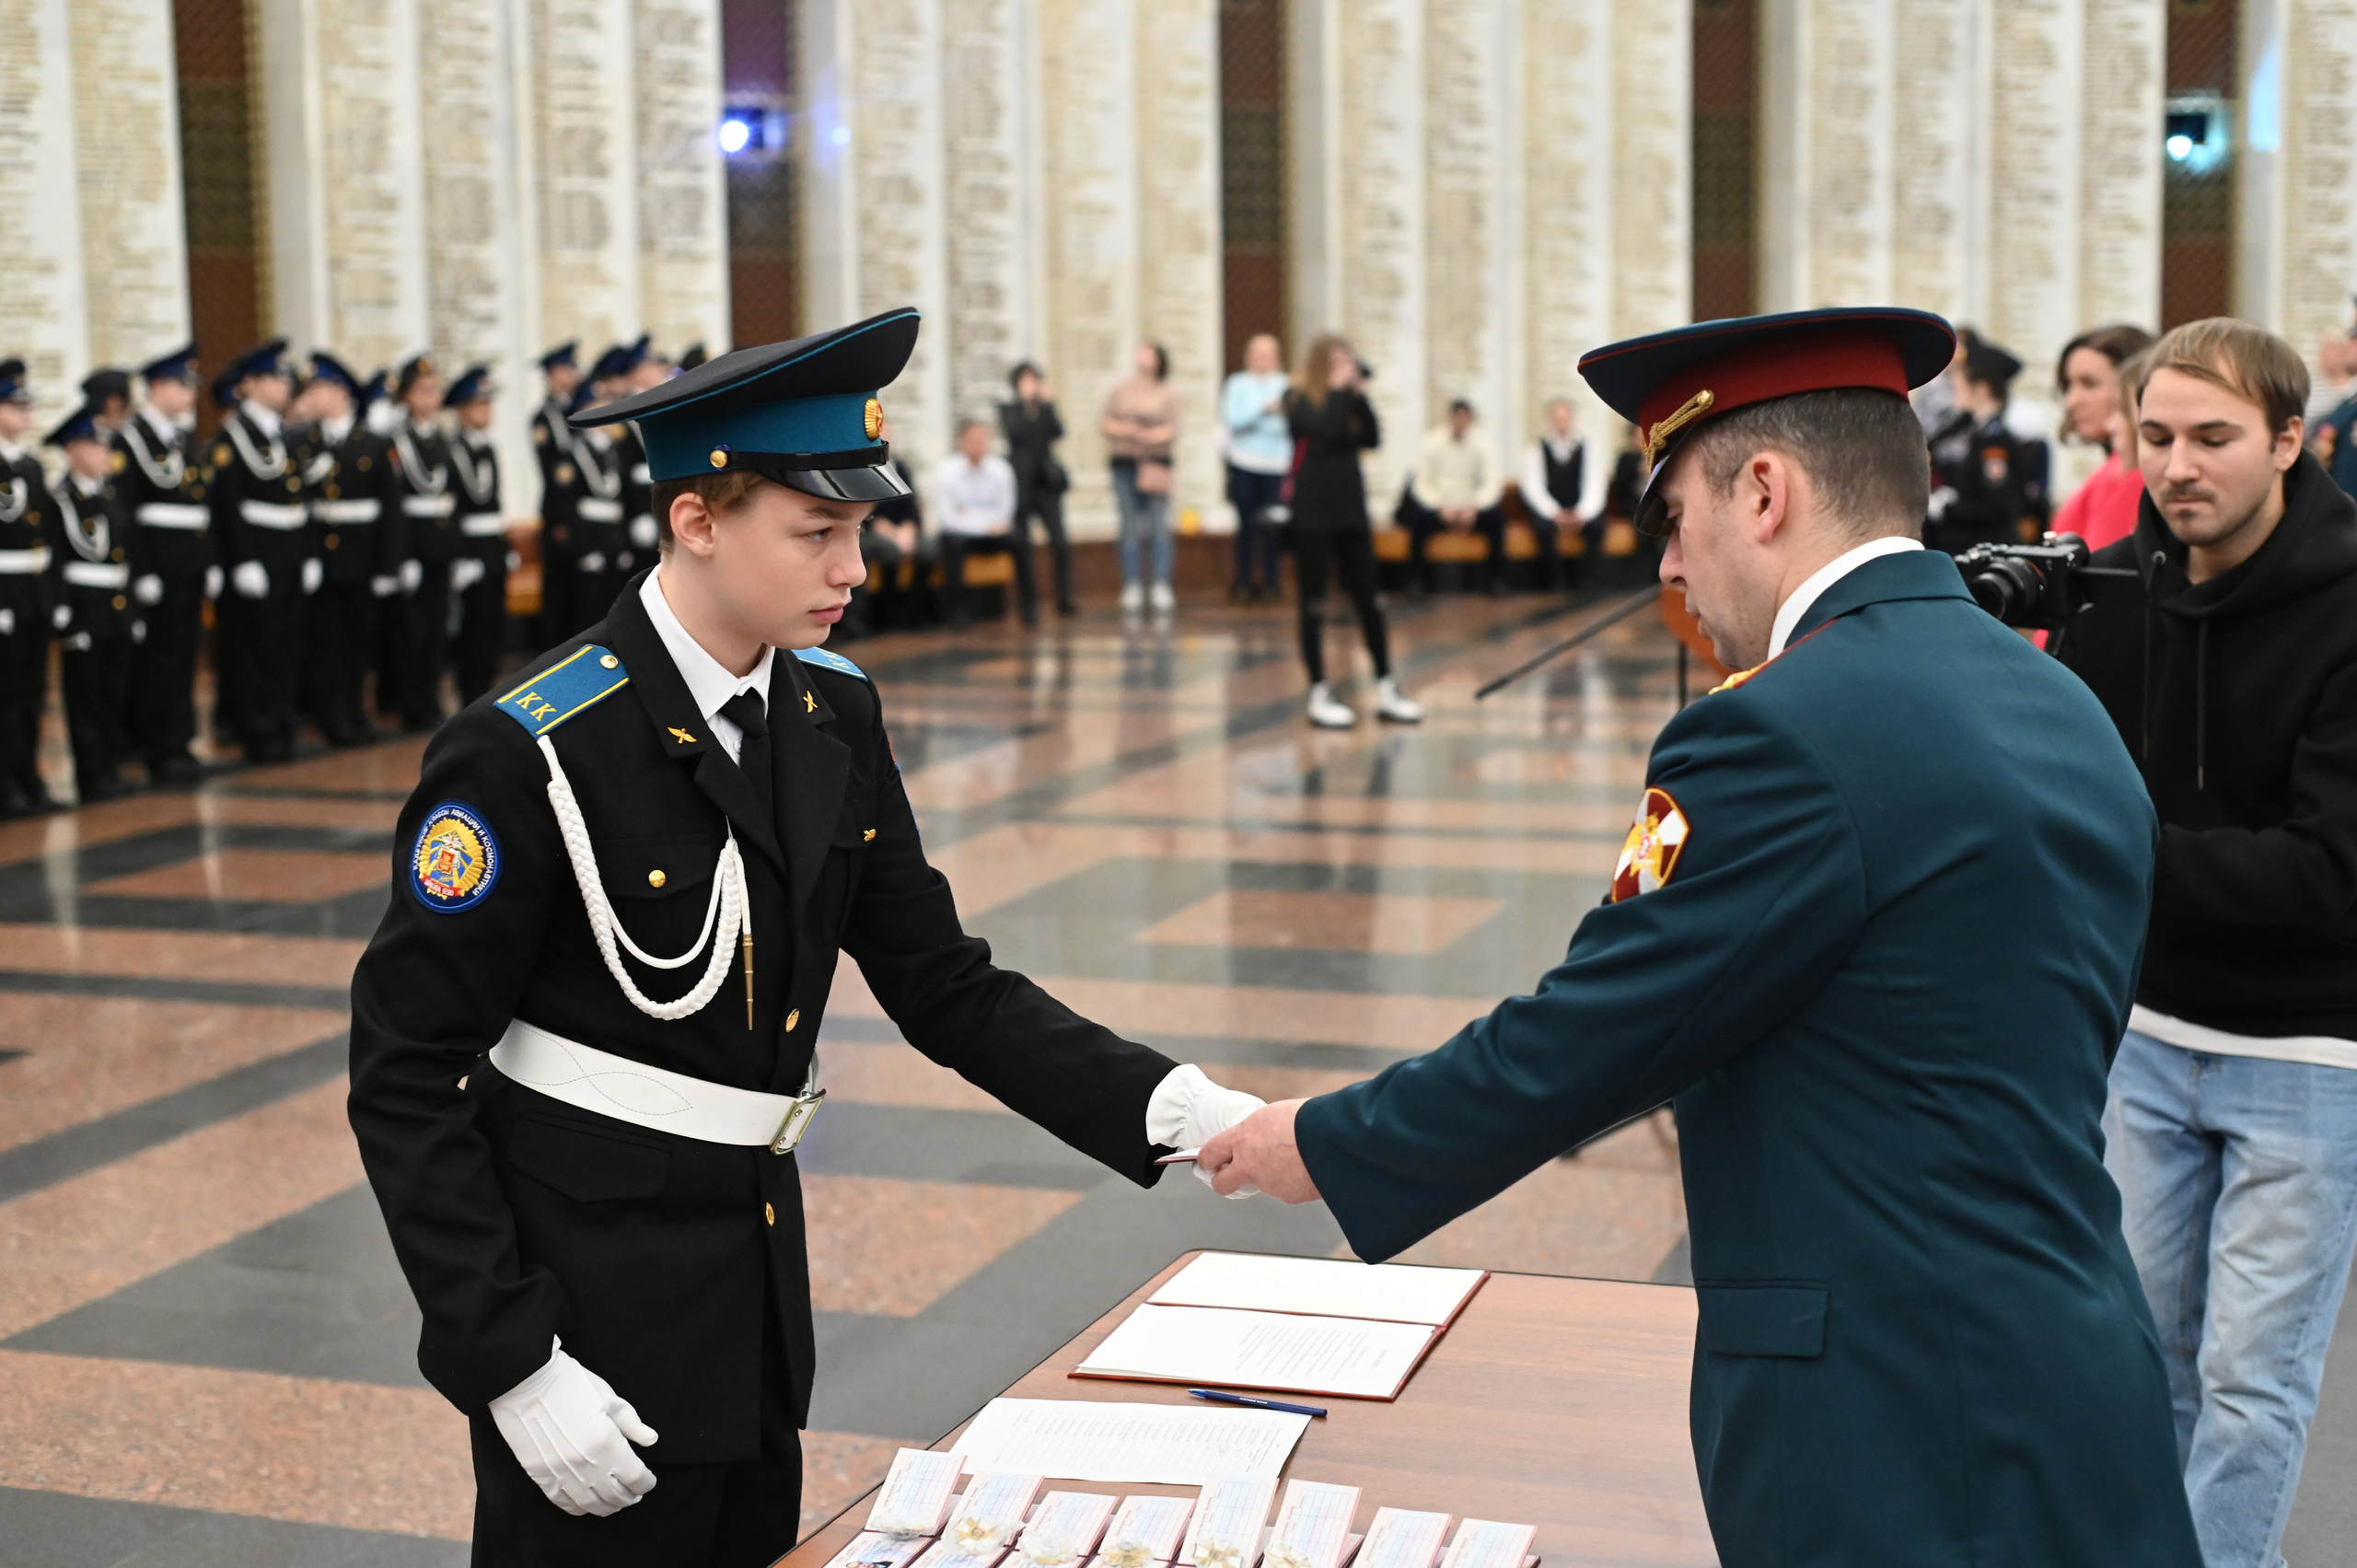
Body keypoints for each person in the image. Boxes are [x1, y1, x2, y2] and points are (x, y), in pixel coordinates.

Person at [1202, 307, 2204, 1568]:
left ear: (1766, 492)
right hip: (2077, 1364)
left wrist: (1325, 1141)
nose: (1669, 567)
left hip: (1895, 1418)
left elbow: (1602, 1027)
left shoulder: (1777, 731)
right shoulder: (2059, 694)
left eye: (1675, 516)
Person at [346, 308, 1265, 1568]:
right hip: (584, 1310)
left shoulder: (831, 708)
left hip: (759, 1290)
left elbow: (943, 984)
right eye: (818, 532)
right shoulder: (535, 744)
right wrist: (504, 1355)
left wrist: (1177, 1104)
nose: (855, 568)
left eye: (861, 530)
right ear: (697, 520)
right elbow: (406, 1069)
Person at [2054, 319, 2357, 1568]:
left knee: (2249, 1384)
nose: (2180, 465)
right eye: (2159, 436)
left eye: (2215, 437)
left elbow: (2330, 872)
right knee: (2140, 1360)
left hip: (2308, 1048)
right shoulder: (2121, 592)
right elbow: (2065, 787)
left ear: (2291, 439)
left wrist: (2121, 855)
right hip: (2153, 1032)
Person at [1284, 335, 1419, 730]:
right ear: (1320, 363)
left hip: (1350, 512)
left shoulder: (1348, 401)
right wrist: (1342, 392)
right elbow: (1320, 429)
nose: (1346, 367)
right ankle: (1318, 690)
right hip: (1311, 513)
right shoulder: (1298, 399)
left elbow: (1372, 438)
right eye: (1338, 361)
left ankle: (1386, 685)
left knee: (1370, 600)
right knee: (1313, 602)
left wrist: (1360, 397)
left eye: (1349, 361)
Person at [206, 340, 310, 762]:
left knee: (286, 646)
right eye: (274, 378)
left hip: (287, 553)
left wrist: (307, 553)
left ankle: (282, 724)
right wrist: (243, 559)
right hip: (257, 555)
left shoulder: (280, 434)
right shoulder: (234, 437)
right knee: (256, 650)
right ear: (249, 385)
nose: (284, 386)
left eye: (284, 378)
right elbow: (228, 507)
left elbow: (297, 499)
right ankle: (260, 731)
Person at [118, 343, 212, 782]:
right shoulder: (131, 439)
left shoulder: (182, 437)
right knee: (159, 660)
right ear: (157, 387)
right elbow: (126, 512)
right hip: (158, 567)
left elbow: (198, 507)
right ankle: (158, 747)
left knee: (183, 656)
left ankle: (179, 742)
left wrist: (206, 561)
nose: (190, 394)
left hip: (188, 565)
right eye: (181, 384)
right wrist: (141, 571)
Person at [296, 352, 394, 747]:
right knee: (326, 645)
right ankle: (331, 718)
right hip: (323, 560)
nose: (311, 397)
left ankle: (355, 715)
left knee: (358, 644)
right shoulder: (304, 441)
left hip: (362, 558)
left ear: (339, 393)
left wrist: (389, 564)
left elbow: (390, 509)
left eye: (318, 389)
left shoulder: (371, 443)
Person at [43, 401, 140, 802]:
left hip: (114, 607)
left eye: (106, 448)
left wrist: (131, 607)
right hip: (84, 610)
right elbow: (55, 560)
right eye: (95, 448)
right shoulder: (59, 502)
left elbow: (125, 555)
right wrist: (64, 613)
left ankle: (110, 766)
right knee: (86, 695)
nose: (104, 456)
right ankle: (91, 773)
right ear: (72, 451)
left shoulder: (110, 497)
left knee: (114, 691)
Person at [388, 354, 457, 731]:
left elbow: (451, 498)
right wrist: (404, 556)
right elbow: (396, 504)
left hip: (441, 547)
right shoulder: (399, 442)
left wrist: (455, 549)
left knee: (436, 630)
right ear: (406, 396)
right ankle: (412, 705)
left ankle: (430, 700)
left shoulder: (440, 438)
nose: (431, 397)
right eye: (422, 391)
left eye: (435, 390)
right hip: (414, 546)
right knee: (411, 634)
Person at [1926, 335, 2044, 553]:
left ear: (1981, 388)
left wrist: (1949, 509)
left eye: (1959, 384)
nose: (1954, 392)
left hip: (1987, 554)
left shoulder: (1995, 444)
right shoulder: (1978, 435)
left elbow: (1997, 508)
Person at [0, 361, 56, 814]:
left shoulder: (31, 466)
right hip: (4, 595)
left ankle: (27, 775)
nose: (26, 414)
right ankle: (5, 785)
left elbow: (48, 538)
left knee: (30, 694)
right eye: (16, 406)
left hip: (33, 593)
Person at [2052, 323, 2156, 551]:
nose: (2072, 400)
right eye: (2068, 385)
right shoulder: (2114, 468)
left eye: (2089, 384)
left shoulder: (2138, 475)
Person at [446, 365, 510, 706]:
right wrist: (461, 555)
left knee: (492, 625)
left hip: (491, 546)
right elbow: (451, 508)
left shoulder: (487, 448)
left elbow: (494, 502)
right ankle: (470, 691)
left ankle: (487, 687)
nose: (488, 411)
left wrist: (504, 544)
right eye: (480, 405)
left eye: (488, 404)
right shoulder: (453, 451)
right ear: (462, 410)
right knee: (471, 627)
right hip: (469, 548)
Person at [1399, 400, 1508, 593]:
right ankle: (1415, 581)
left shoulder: (1483, 444)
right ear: (1450, 418)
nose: (1460, 423)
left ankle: (1496, 581)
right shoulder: (1430, 442)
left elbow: (1492, 482)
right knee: (1418, 522)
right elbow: (1421, 483)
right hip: (1440, 508)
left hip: (1470, 509)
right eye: (1457, 418)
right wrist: (1439, 507)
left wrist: (1475, 506)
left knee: (1497, 521)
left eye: (1465, 419)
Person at [1102, 340, 1178, 614]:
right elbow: (1105, 422)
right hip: (1125, 462)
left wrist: (1148, 436)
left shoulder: (1166, 392)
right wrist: (1127, 430)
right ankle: (1131, 583)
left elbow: (1173, 427)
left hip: (1156, 463)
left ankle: (1161, 583)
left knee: (1159, 525)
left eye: (1149, 353)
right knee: (1129, 525)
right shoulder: (1121, 389)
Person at [930, 418, 1021, 627]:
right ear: (961, 442)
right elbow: (949, 519)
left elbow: (1005, 513)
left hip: (992, 534)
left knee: (1019, 539)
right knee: (953, 543)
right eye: (973, 440)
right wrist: (983, 525)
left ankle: (1028, 607)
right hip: (962, 536)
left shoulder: (1001, 469)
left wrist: (971, 516)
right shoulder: (946, 471)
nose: (979, 445)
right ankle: (956, 612)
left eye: (983, 440)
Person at [1220, 334, 1291, 603]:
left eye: (1268, 354)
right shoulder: (1237, 384)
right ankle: (1244, 580)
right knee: (1246, 524)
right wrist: (1264, 410)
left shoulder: (1286, 385)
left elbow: (1286, 425)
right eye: (1257, 353)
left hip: (1276, 464)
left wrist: (1259, 421)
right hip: (1244, 463)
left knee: (1274, 524)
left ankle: (1272, 581)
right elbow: (1233, 420)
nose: (1262, 359)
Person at [999, 362, 1073, 619]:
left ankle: (1064, 598)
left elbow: (1058, 432)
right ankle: (1028, 604)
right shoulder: (1009, 409)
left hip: (1046, 485)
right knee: (1023, 545)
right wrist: (1026, 405)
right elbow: (1014, 433)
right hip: (1020, 484)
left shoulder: (1045, 408)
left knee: (1060, 541)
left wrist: (1047, 404)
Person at [1517, 398, 1608, 590]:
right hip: (1551, 511)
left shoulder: (1589, 448)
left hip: (1579, 509)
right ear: (1550, 420)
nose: (1562, 423)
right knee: (1542, 529)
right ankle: (1556, 580)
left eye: (1566, 418)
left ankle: (1583, 580)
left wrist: (1582, 513)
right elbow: (1533, 487)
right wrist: (1554, 513)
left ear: (1573, 419)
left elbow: (1595, 485)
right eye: (1557, 418)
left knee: (1597, 528)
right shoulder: (1536, 448)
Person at [534, 342, 587, 646]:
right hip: (558, 513)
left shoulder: (576, 407)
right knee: (557, 596)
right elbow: (556, 474)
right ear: (552, 374)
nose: (571, 375)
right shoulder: (543, 418)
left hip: (580, 514)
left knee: (578, 599)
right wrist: (563, 520)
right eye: (565, 369)